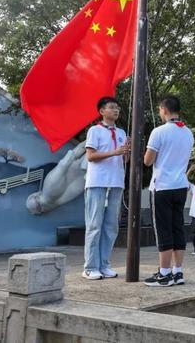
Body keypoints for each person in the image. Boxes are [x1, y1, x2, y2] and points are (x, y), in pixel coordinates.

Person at [144, 95, 194, 287]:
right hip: (181, 185)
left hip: (162, 186)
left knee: (163, 229)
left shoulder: (159, 132)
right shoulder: (188, 132)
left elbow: (148, 160)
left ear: (164, 110)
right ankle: (178, 271)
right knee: (177, 227)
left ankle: (164, 274)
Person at [82, 96, 129, 280]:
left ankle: (104, 264)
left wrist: (126, 151)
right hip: (97, 182)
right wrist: (115, 152)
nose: (116, 110)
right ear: (102, 111)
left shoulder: (122, 132)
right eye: (111, 107)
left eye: (117, 107)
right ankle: (90, 267)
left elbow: (123, 160)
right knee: (94, 225)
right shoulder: (95, 130)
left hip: (116, 182)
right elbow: (90, 156)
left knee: (111, 226)